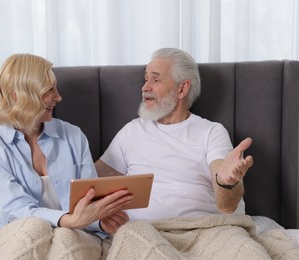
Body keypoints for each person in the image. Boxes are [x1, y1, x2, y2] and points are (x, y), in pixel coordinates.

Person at [0, 54, 132, 241]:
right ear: (18, 96)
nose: (58, 97)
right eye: (49, 90)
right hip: (17, 239)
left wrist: (100, 221)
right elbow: (16, 211)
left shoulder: (73, 136)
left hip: (72, 237)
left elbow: (88, 202)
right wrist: (68, 220)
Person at [95, 47, 254, 222]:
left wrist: (226, 182)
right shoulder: (132, 131)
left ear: (182, 89)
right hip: (142, 232)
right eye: (146, 79)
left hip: (200, 229)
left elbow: (227, 206)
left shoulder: (211, 132)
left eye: (155, 80)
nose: (144, 87)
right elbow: (90, 181)